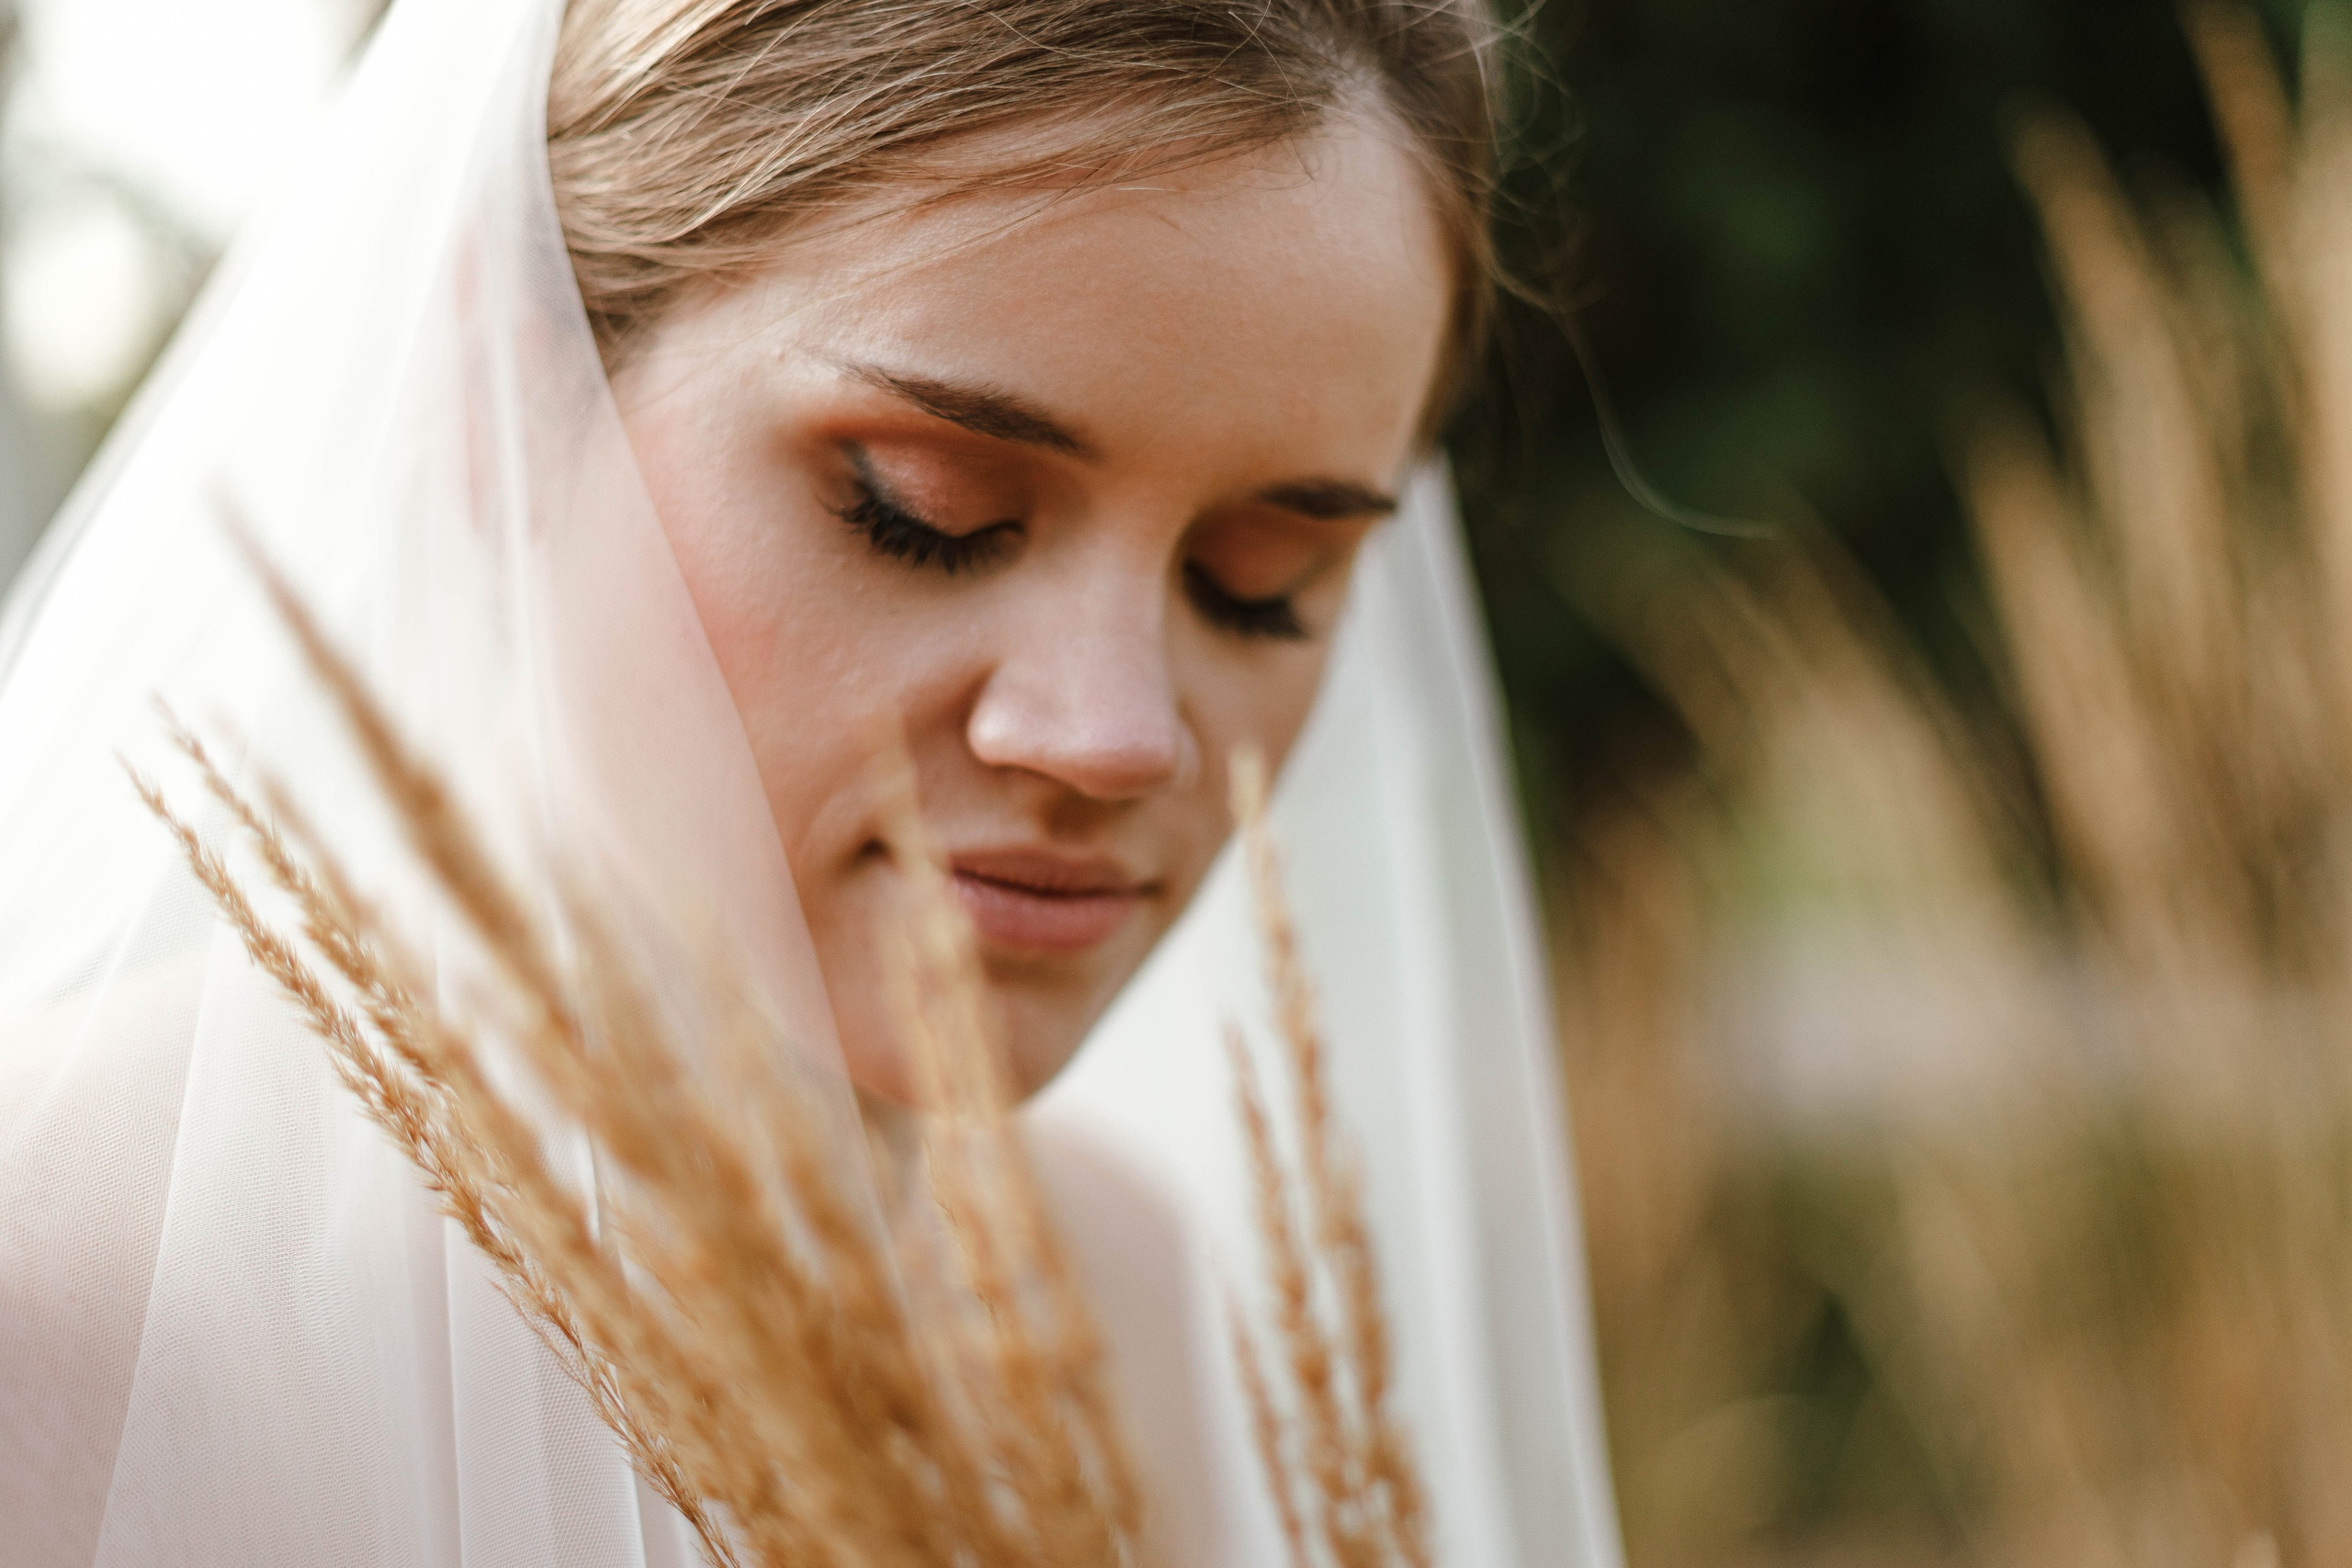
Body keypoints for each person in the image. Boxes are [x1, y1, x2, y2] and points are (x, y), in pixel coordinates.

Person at [0, 1, 1621, 1563]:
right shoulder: (63, 1304)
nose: (1117, 735)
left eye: (1265, 579)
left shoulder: (1112, 1301)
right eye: (922, 510)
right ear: (519, 387)